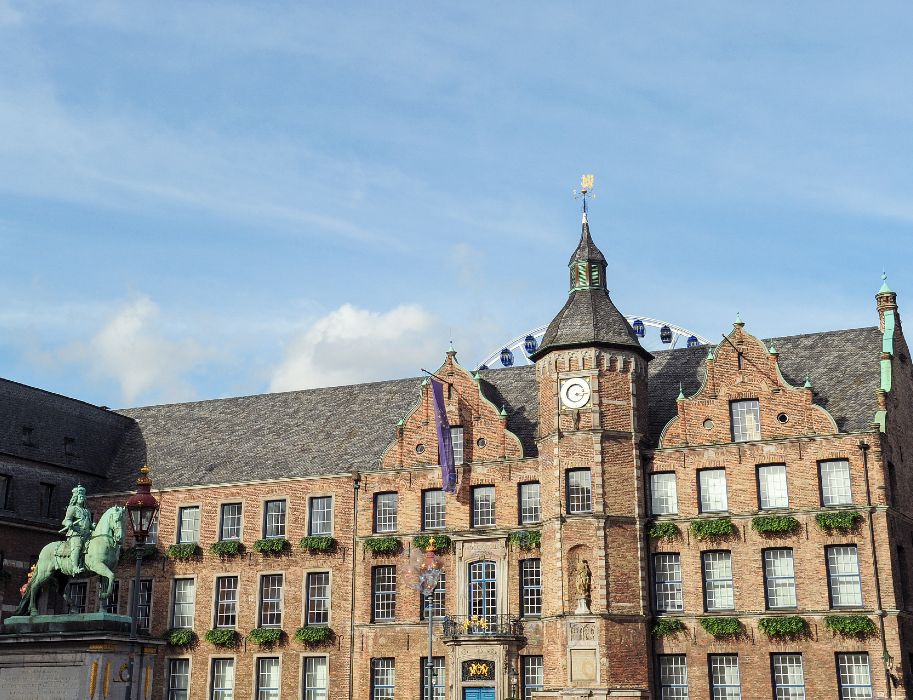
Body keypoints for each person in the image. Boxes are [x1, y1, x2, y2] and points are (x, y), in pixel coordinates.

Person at [59, 485, 94, 575]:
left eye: (83, 497)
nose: (82, 498)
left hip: (87, 533)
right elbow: (65, 520)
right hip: (76, 533)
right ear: (75, 497)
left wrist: (92, 526)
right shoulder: (72, 508)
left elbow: (89, 524)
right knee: (77, 547)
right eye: (80, 496)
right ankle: (75, 567)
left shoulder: (86, 511)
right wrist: (68, 523)